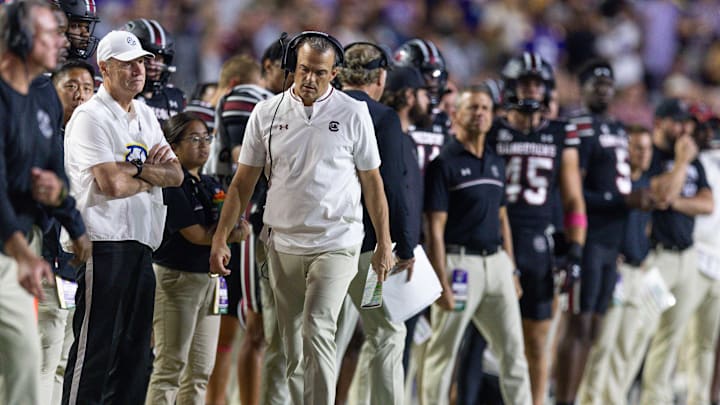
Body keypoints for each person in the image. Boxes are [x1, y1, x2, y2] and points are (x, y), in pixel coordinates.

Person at [209, 31, 394, 405]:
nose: (310, 79)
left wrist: (384, 243)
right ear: (291, 67)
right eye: (304, 69)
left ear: (335, 73)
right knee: (287, 345)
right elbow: (243, 182)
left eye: (320, 73)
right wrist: (220, 237)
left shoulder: (353, 112)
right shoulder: (266, 112)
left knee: (318, 328)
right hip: (283, 243)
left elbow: (373, 183)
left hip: (337, 242)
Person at [62, 30, 183, 404]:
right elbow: (111, 184)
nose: (138, 70)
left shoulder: (145, 113)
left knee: (134, 357)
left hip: (142, 244)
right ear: (104, 67)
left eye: (141, 63)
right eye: (126, 64)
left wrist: (132, 169)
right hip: (103, 242)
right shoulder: (90, 117)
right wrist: (149, 171)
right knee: (96, 349)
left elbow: (176, 175)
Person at [0, 2, 90, 404]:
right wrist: (21, 251)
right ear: (19, 38)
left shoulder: (46, 99)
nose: (61, 39)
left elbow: (56, 173)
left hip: (21, 244)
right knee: (24, 357)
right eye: (49, 32)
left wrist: (74, 223)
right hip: (12, 247)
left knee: (25, 357)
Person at [418, 86, 531, 405]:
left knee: (513, 353)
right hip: (459, 264)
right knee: (443, 353)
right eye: (472, 108)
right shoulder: (445, 163)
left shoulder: (496, 161)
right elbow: (435, 228)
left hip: (497, 263)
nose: (480, 113)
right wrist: (440, 279)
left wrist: (512, 269)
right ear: (456, 114)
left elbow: (502, 218)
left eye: (485, 108)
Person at [491, 52, 586, 405]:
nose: (530, 89)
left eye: (536, 83)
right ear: (509, 87)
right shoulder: (491, 127)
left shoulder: (561, 133)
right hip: (493, 240)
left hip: (537, 244)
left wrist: (575, 250)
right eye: (523, 83)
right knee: (479, 340)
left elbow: (574, 200)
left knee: (536, 342)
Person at [333, 42, 419, 405]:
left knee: (322, 338)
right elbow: (393, 188)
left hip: (318, 244)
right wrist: (404, 243)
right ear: (381, 77)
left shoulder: (318, 109)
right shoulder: (383, 118)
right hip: (367, 252)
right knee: (386, 333)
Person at [146, 112, 250, 404]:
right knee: (171, 368)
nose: (203, 145)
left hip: (212, 282)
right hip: (177, 280)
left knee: (201, 370)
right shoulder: (171, 183)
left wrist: (224, 231)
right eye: (194, 139)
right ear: (173, 146)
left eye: (207, 138)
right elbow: (195, 234)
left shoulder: (211, 183)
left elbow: (243, 227)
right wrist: (225, 232)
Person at [203, 53, 275, 405]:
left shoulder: (206, 107)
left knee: (224, 330)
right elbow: (241, 160)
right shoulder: (248, 96)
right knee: (253, 328)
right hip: (241, 219)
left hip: (215, 218)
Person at [561, 59, 632, 404]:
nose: (604, 88)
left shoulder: (618, 127)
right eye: (596, 82)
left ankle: (579, 395)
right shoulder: (577, 126)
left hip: (611, 239)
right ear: (582, 87)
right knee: (579, 323)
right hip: (587, 237)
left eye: (608, 82)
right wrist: (619, 199)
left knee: (596, 327)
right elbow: (571, 190)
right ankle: (564, 398)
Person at [638, 98, 713, 405]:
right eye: (677, 122)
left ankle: (654, 401)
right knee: (637, 335)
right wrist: (680, 164)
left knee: (670, 339)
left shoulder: (692, 159)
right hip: (654, 259)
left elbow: (707, 204)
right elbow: (661, 192)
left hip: (686, 259)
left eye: (687, 123)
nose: (685, 130)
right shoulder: (651, 154)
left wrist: (676, 201)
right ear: (659, 122)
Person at [36, 58, 95, 405]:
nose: (80, 95)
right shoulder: (43, 138)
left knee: (62, 362)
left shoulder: (93, 139)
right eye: (71, 86)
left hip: (77, 265)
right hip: (47, 261)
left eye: (87, 87)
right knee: (44, 359)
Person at [124, 18, 185, 126]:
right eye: (146, 58)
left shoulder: (175, 97)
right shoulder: (116, 95)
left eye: (158, 58)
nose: (152, 65)